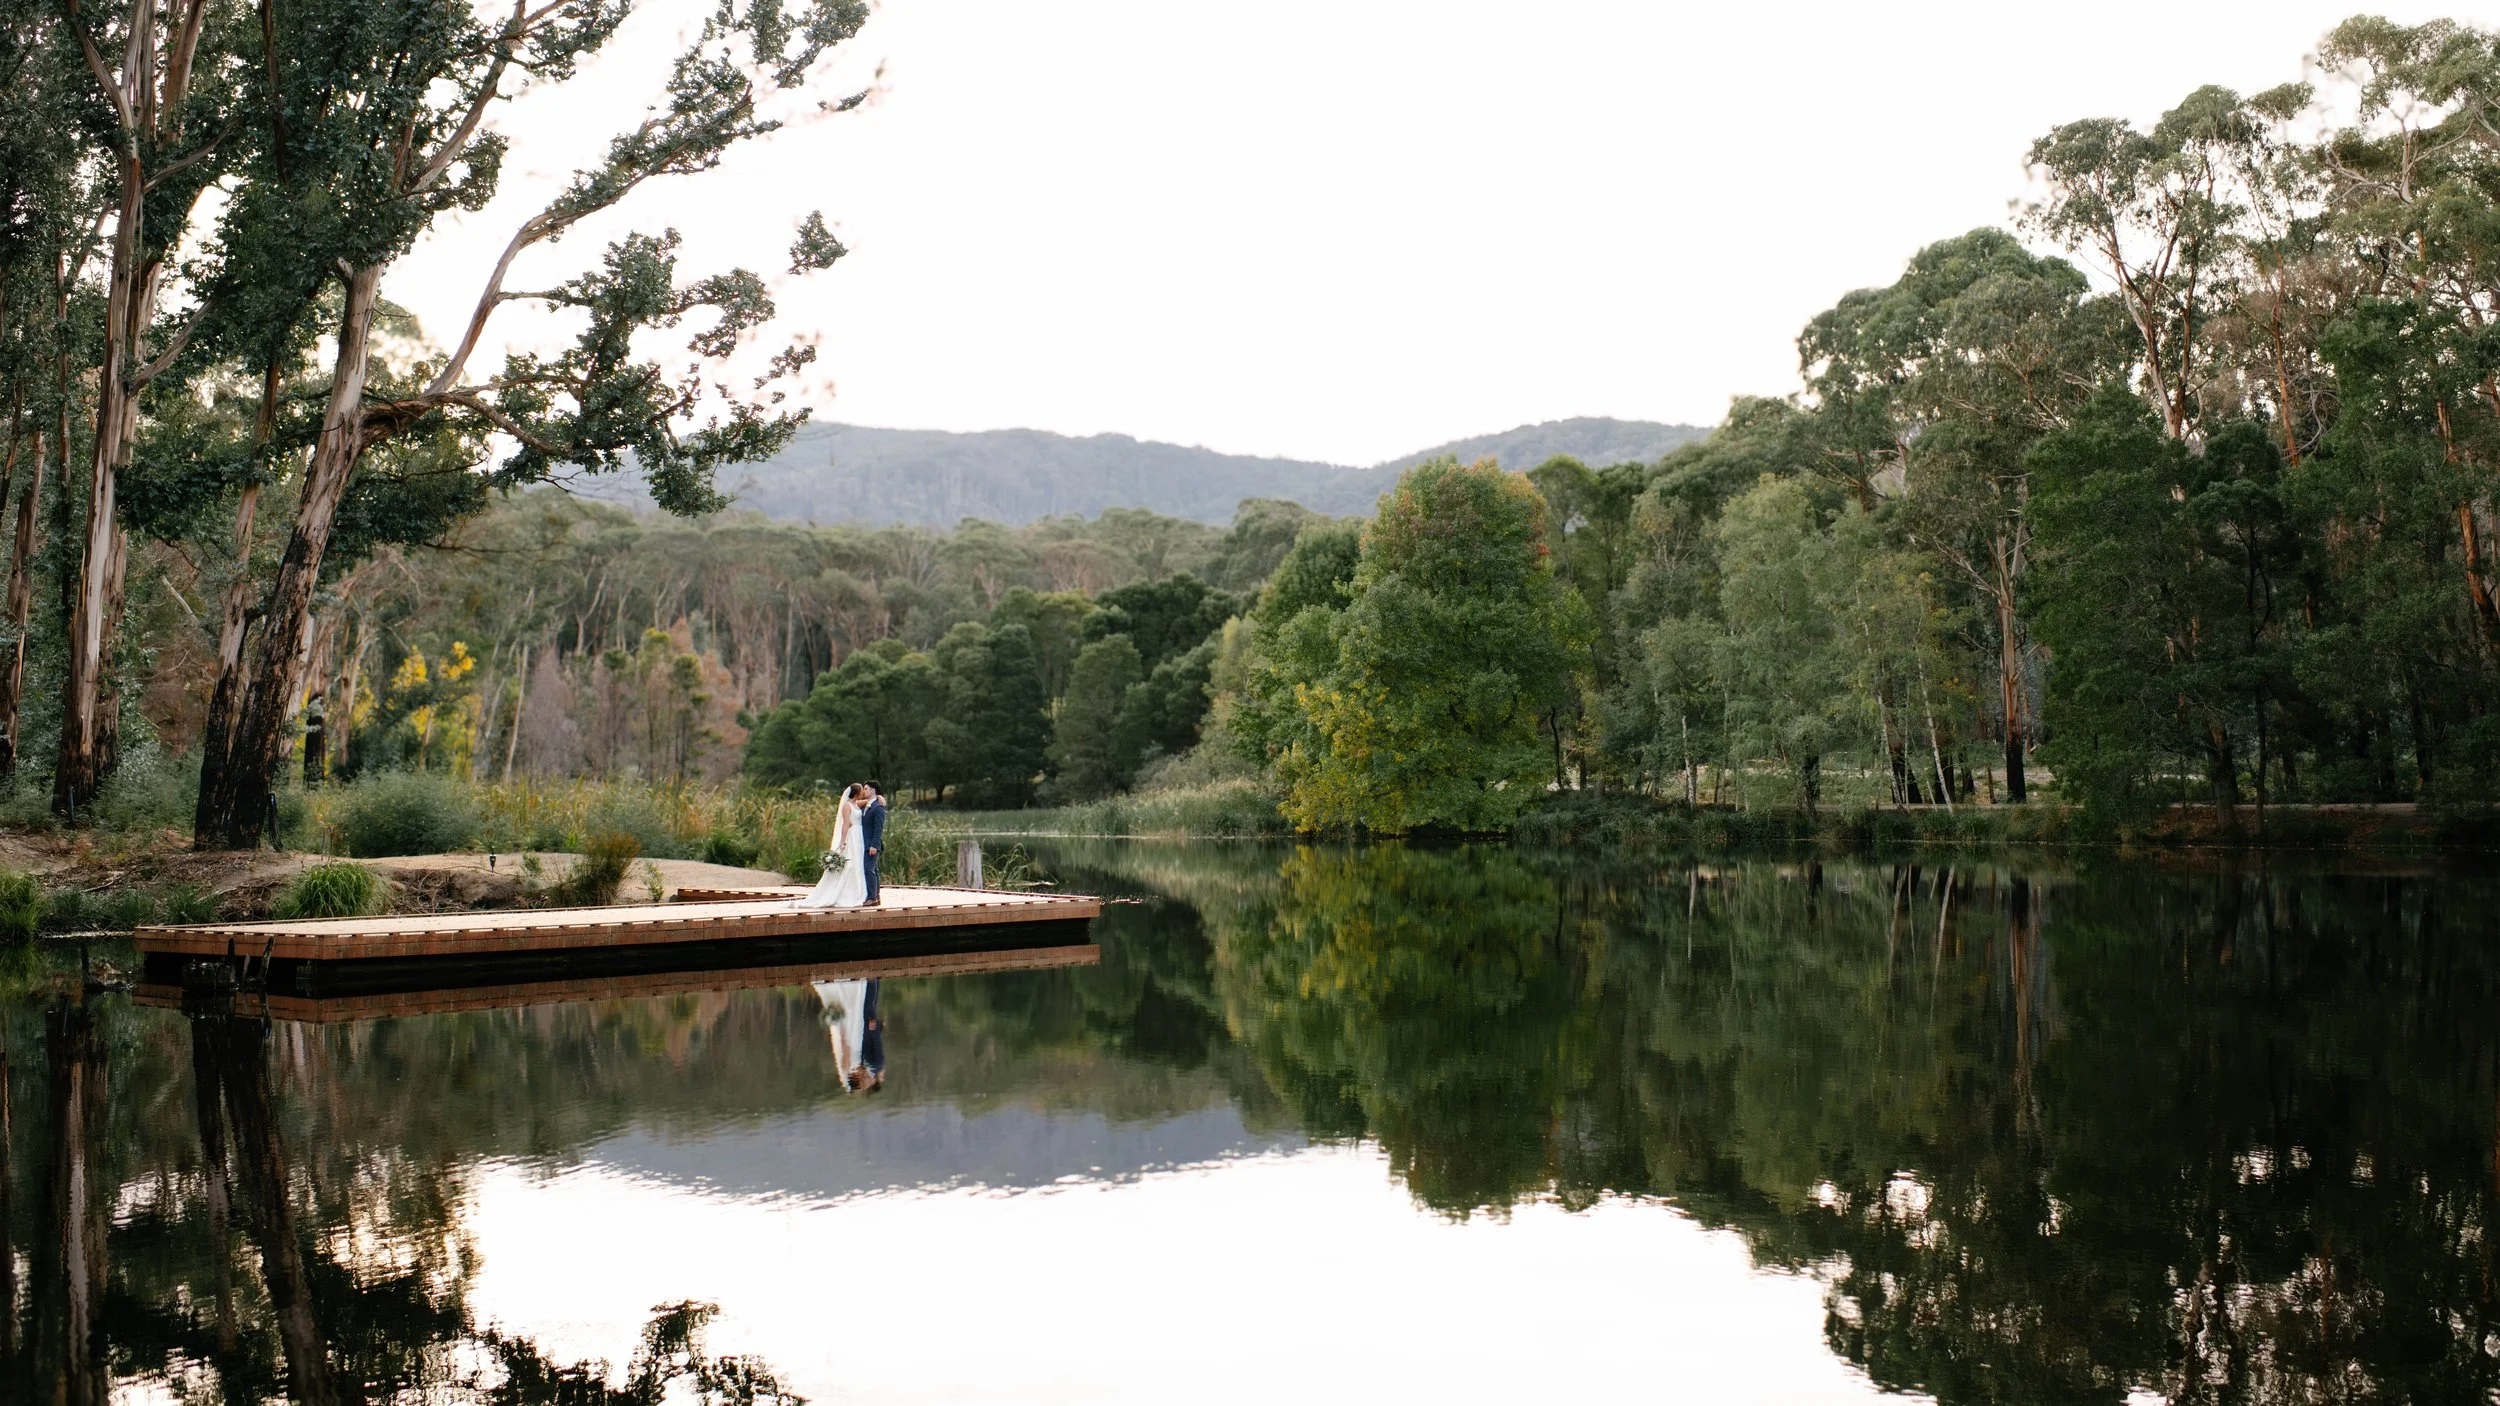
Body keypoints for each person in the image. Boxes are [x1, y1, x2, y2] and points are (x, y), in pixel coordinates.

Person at [789, 784, 870, 910]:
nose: (863, 793)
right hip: (852, 836)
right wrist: (843, 841)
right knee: (850, 864)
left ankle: (858, 891)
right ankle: (846, 894)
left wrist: (879, 797)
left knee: (858, 863)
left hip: (859, 837)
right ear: (856, 793)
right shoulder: (847, 805)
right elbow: (845, 824)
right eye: (861, 791)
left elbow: (868, 801)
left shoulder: (856, 804)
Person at [859, 782, 888, 905]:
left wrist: (874, 845)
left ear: (873, 790)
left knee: (868, 869)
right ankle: (875, 897)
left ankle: (872, 897)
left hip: (871, 844)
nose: (863, 791)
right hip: (864, 843)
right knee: (873, 870)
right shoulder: (866, 805)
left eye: (866, 789)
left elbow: (878, 828)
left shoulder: (878, 807)